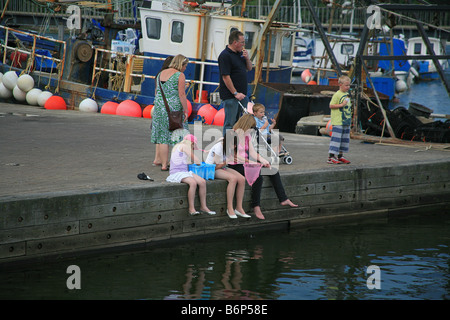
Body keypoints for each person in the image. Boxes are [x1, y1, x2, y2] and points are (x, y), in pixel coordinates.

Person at [226, 114, 298, 220]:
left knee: (273, 170)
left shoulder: (247, 135)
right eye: (251, 128)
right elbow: (234, 156)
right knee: (258, 176)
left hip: (246, 162)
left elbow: (253, 152)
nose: (251, 132)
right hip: (235, 165)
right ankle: (256, 206)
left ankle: (283, 198)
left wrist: (263, 160)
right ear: (245, 125)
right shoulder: (232, 135)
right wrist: (253, 163)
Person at [151, 54, 190, 171]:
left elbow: (157, 91)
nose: (185, 68)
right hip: (174, 110)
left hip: (159, 109)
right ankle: (177, 163)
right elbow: (182, 94)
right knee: (179, 136)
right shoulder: (179, 75)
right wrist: (186, 110)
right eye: (185, 66)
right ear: (180, 64)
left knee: (163, 138)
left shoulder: (160, 74)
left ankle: (164, 165)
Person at [166, 134, 216, 216]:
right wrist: (201, 164)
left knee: (202, 182)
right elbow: (196, 160)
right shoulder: (185, 146)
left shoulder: (179, 145)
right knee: (193, 183)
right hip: (177, 172)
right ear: (191, 143)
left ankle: (203, 206)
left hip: (184, 171)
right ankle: (191, 208)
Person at [205, 135, 250, 219]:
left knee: (242, 179)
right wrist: (228, 161)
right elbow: (216, 166)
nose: (235, 146)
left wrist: (251, 162)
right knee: (233, 179)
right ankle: (229, 208)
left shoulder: (230, 146)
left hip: (222, 167)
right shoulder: (219, 147)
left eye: (236, 145)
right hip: (211, 169)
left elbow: (237, 157)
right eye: (233, 144)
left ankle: (239, 208)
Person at [218, 30, 253, 136]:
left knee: (241, 124)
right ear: (235, 42)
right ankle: (227, 148)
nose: (243, 45)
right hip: (231, 96)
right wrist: (235, 93)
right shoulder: (225, 56)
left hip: (242, 95)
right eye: (242, 42)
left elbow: (249, 68)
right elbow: (225, 76)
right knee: (230, 123)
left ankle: (236, 146)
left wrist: (247, 58)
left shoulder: (240, 54)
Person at [152, 56, 174, 167]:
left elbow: (157, 92)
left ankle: (157, 158)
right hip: (166, 108)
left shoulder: (159, 74)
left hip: (157, 106)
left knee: (159, 134)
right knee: (164, 136)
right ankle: (164, 161)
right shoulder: (172, 75)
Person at [327, 75, 352, 164]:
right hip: (338, 121)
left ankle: (340, 156)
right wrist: (341, 105)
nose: (348, 87)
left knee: (344, 140)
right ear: (340, 85)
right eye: (346, 85)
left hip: (346, 121)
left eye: (349, 85)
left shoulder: (347, 95)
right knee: (336, 139)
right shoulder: (337, 95)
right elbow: (331, 105)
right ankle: (331, 156)